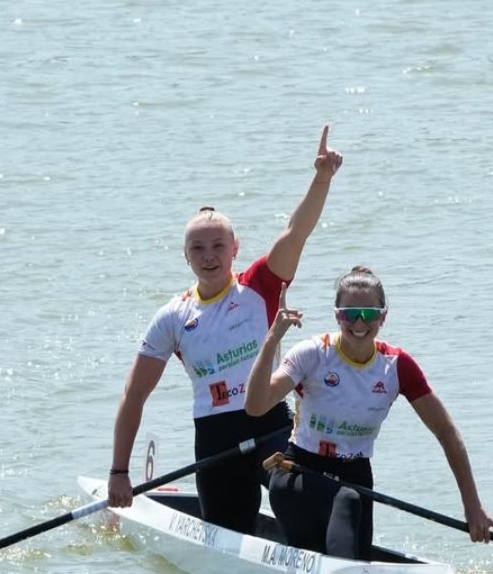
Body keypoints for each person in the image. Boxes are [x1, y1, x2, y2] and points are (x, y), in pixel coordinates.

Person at [107, 126, 344, 535]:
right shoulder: (172, 317)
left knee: (294, 494)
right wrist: (119, 471)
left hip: (270, 425)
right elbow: (134, 394)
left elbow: (297, 231)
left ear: (235, 248)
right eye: (198, 249)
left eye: (218, 246)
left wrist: (321, 178)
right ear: (186, 257)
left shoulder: (260, 286)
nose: (209, 256)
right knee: (227, 527)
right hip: (215, 441)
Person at [243, 266, 493, 559]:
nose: (359, 323)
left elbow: (447, 433)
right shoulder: (312, 354)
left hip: (356, 476)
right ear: (336, 315)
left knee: (350, 512)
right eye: (349, 314)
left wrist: (472, 505)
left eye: (368, 314)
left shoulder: (396, 365)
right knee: (347, 506)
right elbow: (256, 406)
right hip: (300, 475)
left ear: (383, 316)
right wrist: (272, 340)